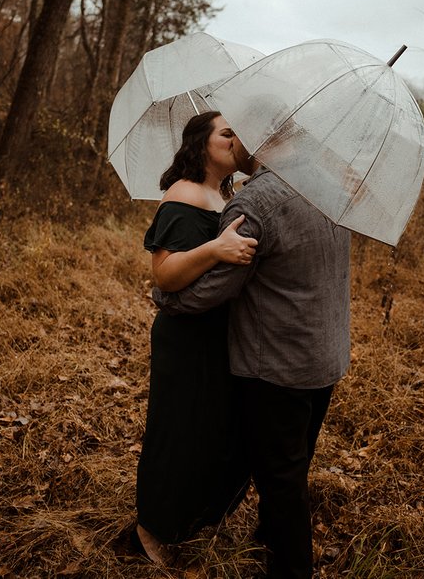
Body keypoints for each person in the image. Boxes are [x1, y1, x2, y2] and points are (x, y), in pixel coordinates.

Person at [152, 134, 351, 579]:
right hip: (326, 356)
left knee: (280, 480)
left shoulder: (256, 200)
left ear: (259, 137)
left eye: (238, 130)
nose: (233, 141)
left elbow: (214, 289)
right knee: (295, 463)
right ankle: (268, 539)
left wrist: (164, 298)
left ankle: (290, 568)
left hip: (276, 365)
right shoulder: (327, 185)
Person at [134, 110, 257, 565]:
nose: (235, 139)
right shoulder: (183, 195)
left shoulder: (224, 194)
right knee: (177, 431)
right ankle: (150, 529)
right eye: (227, 132)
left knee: (211, 431)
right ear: (199, 143)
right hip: (185, 337)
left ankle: (187, 519)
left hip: (218, 334)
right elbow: (165, 275)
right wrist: (214, 248)